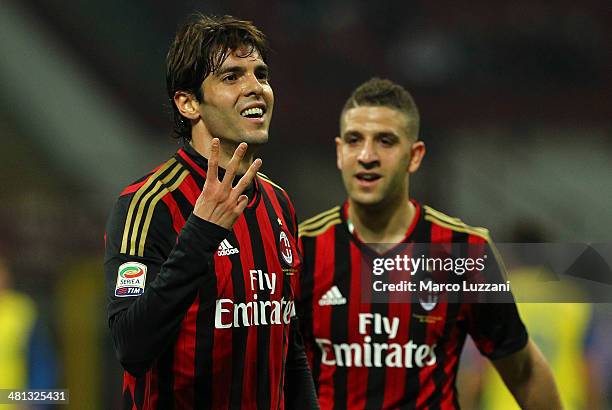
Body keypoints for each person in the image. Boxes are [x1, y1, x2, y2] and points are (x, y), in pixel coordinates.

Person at [297, 78, 561, 409]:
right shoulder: (299, 251)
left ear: (415, 156)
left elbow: (524, 372)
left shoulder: (464, 250)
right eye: (354, 140)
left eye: (385, 141)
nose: (367, 156)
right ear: (339, 152)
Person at [104, 14, 317, 409]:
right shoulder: (149, 204)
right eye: (232, 77)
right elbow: (131, 347)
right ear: (188, 103)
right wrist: (201, 232)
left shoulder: (278, 203)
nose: (256, 88)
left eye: (261, 74)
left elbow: (290, 348)